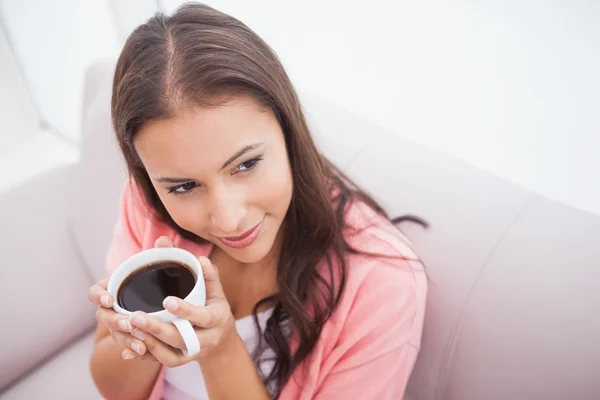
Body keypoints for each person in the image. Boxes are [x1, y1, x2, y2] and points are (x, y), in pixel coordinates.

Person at [88, 3, 427, 399]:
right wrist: (139, 339)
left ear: (287, 127)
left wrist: (221, 351)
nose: (229, 219)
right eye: (183, 187)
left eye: (246, 164)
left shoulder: (382, 285)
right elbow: (114, 390)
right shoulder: (148, 207)